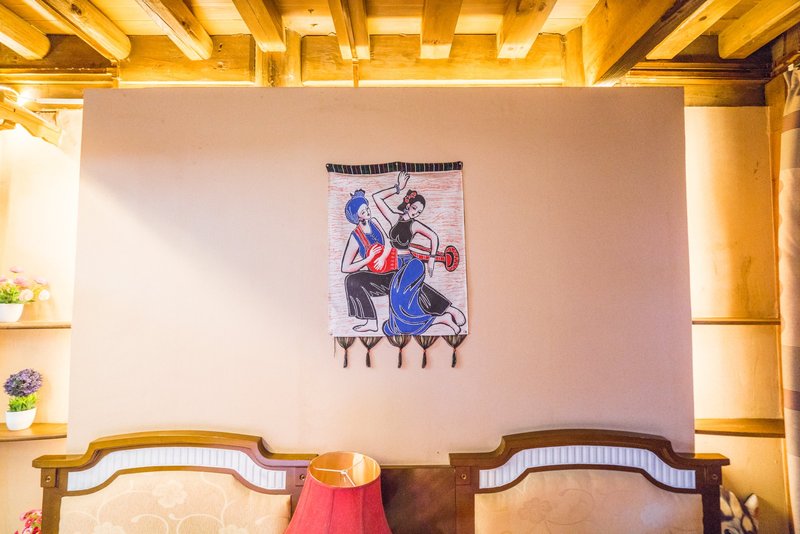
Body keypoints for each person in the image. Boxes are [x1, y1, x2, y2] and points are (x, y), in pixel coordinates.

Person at [372, 171, 465, 335]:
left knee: (398, 296)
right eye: (415, 208)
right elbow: (376, 197)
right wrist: (398, 188)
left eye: (419, 212)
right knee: (407, 300)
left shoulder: (414, 225)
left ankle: (446, 314)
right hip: (394, 264)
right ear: (408, 204)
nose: (415, 213)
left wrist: (432, 259)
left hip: (410, 264)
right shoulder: (394, 218)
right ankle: (444, 316)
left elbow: (434, 237)